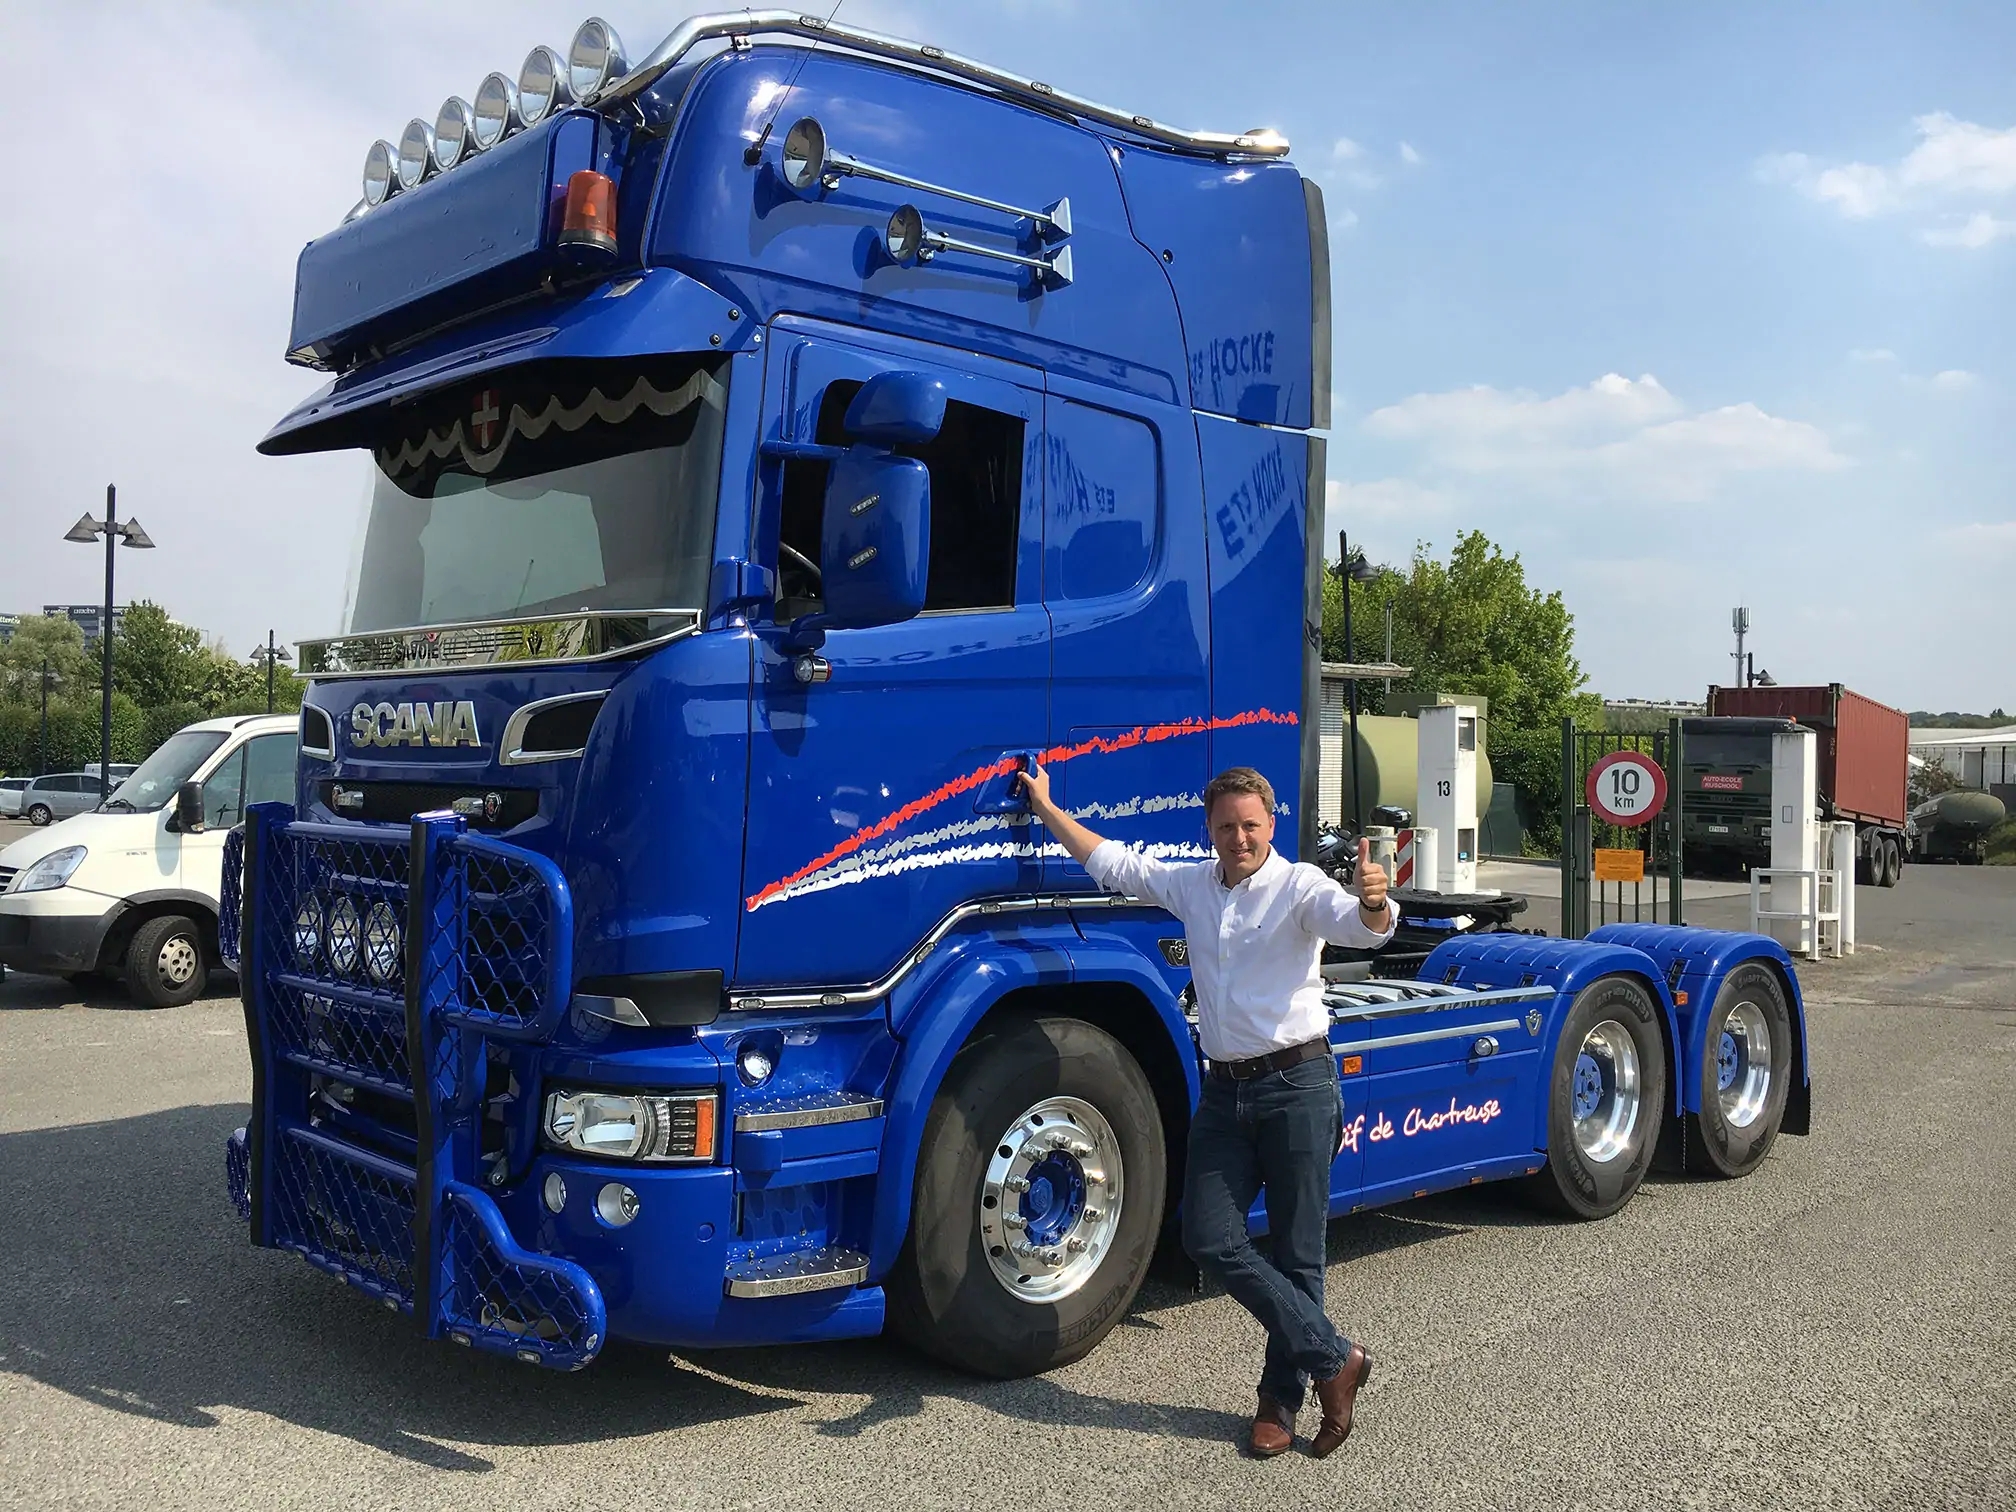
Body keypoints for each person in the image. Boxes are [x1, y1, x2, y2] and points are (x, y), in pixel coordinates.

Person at [1017, 761, 1396, 1459]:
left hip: (1298, 1086)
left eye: (1250, 825)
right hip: (1225, 1092)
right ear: (1210, 830)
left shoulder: (1300, 886)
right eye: (1226, 826)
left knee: (1298, 1254)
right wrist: (1045, 809)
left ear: (1270, 825)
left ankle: (1279, 1401)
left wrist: (1375, 903)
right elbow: (1116, 865)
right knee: (1209, 1238)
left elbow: (1358, 926)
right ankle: (1336, 1357)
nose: (1239, 837)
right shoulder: (1195, 883)